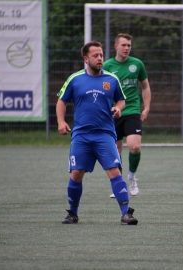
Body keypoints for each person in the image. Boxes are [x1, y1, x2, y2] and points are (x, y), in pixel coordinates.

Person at [56, 40, 138, 225]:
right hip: (81, 135)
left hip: (105, 134)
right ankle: (73, 213)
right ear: (86, 59)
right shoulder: (75, 79)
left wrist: (118, 108)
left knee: (114, 171)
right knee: (76, 173)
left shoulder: (111, 79)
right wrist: (61, 122)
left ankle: (126, 213)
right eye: (95, 55)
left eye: (101, 55)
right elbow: (61, 101)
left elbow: (121, 101)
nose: (100, 58)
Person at [103, 33, 151, 197]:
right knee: (116, 150)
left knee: (134, 146)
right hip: (113, 112)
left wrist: (146, 108)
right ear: (116, 46)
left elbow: (145, 87)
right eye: (123, 45)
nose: (126, 48)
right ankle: (119, 184)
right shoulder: (107, 66)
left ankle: (131, 176)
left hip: (132, 110)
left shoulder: (137, 64)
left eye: (129, 45)